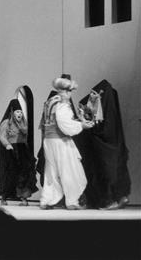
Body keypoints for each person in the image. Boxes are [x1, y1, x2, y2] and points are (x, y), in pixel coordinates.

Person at [39, 74, 94, 210]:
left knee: (51, 172)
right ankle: (73, 201)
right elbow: (65, 125)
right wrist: (82, 125)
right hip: (60, 141)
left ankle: (47, 200)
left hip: (49, 141)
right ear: (65, 91)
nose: (70, 94)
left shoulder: (50, 101)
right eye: (69, 91)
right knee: (70, 169)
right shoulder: (62, 104)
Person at [76, 80, 131, 209]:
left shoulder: (102, 107)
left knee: (105, 171)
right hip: (109, 147)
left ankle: (109, 200)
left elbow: (97, 127)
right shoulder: (108, 110)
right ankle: (117, 198)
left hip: (103, 149)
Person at [0, 99, 37, 206]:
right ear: (12, 112)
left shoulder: (23, 123)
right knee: (10, 174)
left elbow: (25, 135)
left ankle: (24, 198)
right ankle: (4, 197)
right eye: (17, 112)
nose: (19, 114)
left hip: (22, 150)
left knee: (24, 174)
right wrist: (7, 145)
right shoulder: (6, 123)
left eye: (21, 112)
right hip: (11, 150)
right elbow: (2, 136)